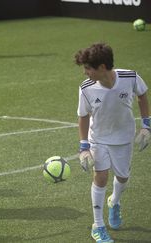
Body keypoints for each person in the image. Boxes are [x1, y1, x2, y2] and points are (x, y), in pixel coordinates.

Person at [75, 42, 150, 243]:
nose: (85, 72)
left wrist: (146, 125)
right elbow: (83, 117)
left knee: (123, 177)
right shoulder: (86, 88)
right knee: (100, 177)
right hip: (98, 139)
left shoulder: (130, 77)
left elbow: (142, 95)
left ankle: (114, 202)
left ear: (101, 68)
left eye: (88, 68)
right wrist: (84, 147)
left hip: (124, 138)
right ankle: (97, 226)